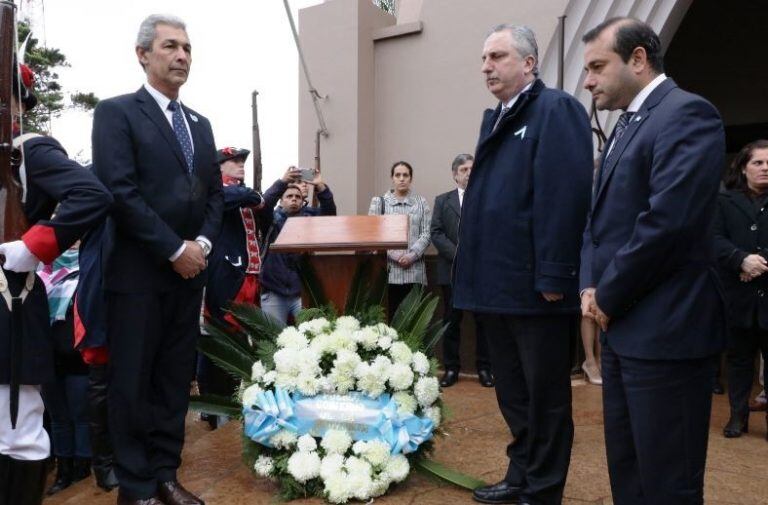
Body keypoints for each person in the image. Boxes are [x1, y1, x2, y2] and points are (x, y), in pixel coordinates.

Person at [580, 17, 726, 504]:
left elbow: (667, 223)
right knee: (630, 472)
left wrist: (608, 293)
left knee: (667, 481)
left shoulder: (687, 114)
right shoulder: (628, 123)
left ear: (638, 59)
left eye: (598, 66)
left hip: (667, 334)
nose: (588, 80)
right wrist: (590, 287)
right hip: (622, 328)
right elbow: (598, 220)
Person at [453, 25, 593, 505]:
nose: (486, 66)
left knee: (545, 395)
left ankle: (543, 488)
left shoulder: (556, 110)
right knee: (513, 392)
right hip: (495, 287)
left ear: (529, 63)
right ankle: (520, 476)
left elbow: (564, 196)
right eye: (484, 58)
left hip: (537, 289)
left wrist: (555, 273)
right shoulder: (496, 117)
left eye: (497, 56)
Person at [91, 14, 223, 505]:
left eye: (188, 47)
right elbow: (120, 192)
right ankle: (137, 485)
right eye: (171, 46)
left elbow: (214, 198)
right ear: (143, 54)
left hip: (190, 277)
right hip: (139, 276)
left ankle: (166, 474)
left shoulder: (200, 125)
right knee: (132, 382)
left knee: (172, 381)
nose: (183, 56)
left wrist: (202, 247)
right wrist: (174, 249)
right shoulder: (117, 113)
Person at [0, 63, 112, 505]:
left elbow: (92, 195)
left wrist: (33, 246)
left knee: (16, 432)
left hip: (8, 302)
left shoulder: (30, 153)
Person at [198, 147, 268, 430]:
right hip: (223, 275)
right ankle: (212, 404)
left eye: (242, 162)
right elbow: (238, 198)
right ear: (219, 168)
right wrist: (259, 195)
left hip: (248, 276)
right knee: (216, 340)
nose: (241, 166)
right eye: (234, 162)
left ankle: (230, 400)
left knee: (238, 341)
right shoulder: (215, 191)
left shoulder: (243, 193)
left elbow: (264, 212)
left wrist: (264, 200)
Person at [713, 139, 768, 441]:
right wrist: (740, 260)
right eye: (758, 163)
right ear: (744, 168)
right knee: (738, 361)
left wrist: (758, 263)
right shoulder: (724, 202)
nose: (765, 168)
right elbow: (713, 239)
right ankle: (737, 417)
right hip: (738, 297)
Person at [430, 154, 493, 388]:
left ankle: (485, 369)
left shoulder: (487, 199)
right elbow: (436, 232)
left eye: (472, 168)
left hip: (481, 270)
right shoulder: (442, 200)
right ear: (455, 174)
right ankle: (451, 369)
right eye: (464, 169)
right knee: (451, 321)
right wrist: (458, 255)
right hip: (452, 270)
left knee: (483, 322)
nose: (469, 172)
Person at [39, 248, 92, 496]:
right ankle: (63, 470)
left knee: (80, 416)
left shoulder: (86, 272)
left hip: (77, 358)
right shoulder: (39, 275)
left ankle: (82, 466)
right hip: (47, 360)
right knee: (59, 418)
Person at [260, 172, 336, 324]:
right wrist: (282, 182)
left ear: (302, 201)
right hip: (273, 291)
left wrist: (320, 186)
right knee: (273, 339)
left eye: (298, 196)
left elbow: (329, 213)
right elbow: (265, 203)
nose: (294, 198)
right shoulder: (271, 220)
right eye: (289, 196)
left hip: (302, 291)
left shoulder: (310, 218)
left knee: (310, 337)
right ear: (280, 201)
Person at [368, 161, 432, 321]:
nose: (402, 178)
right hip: (389, 271)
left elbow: (427, 233)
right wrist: (395, 255)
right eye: (398, 175)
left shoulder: (421, 203)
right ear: (392, 178)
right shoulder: (379, 203)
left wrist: (411, 255)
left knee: (413, 321)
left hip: (415, 271)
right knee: (390, 319)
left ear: (411, 178)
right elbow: (373, 232)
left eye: (405, 175)